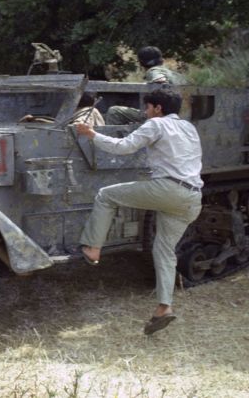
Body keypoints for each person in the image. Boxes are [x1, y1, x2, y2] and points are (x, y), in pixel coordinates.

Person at [74, 88, 203, 335]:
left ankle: (93, 247)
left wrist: (92, 134)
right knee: (165, 251)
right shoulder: (189, 127)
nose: (145, 112)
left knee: (106, 195)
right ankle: (164, 307)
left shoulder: (155, 124)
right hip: (192, 197)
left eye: (147, 107)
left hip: (168, 189)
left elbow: (123, 147)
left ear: (157, 108)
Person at [105, 46, 188, 125]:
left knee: (114, 111)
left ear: (141, 63)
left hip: (161, 114)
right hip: (182, 114)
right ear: (161, 60)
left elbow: (160, 81)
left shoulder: (153, 71)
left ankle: (117, 140)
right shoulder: (175, 74)